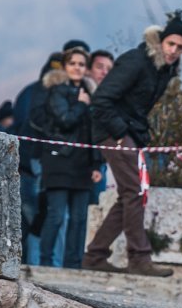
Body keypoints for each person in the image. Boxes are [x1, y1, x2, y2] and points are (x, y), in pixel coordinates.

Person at [82, 18, 182, 277]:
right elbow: (101, 100)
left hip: (129, 132)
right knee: (134, 192)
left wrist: (138, 133)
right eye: (171, 43)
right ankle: (139, 259)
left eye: (180, 47)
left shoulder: (163, 70)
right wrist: (120, 132)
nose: (174, 50)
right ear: (161, 41)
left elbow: (136, 107)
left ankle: (95, 255)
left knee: (131, 194)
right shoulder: (136, 61)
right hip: (112, 131)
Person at [38, 47, 103, 269]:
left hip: (83, 166)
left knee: (79, 218)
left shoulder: (90, 93)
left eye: (81, 64)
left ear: (86, 68)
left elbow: (93, 132)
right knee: (56, 216)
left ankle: (73, 265)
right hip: (59, 161)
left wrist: (97, 163)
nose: (77, 68)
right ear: (65, 66)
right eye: (73, 63)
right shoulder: (57, 91)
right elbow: (65, 120)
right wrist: (81, 104)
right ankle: (45, 263)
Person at [14, 52, 64, 265]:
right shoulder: (40, 93)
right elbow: (24, 125)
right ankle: (36, 265)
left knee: (38, 217)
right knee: (40, 217)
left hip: (34, 164)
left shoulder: (31, 92)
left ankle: (34, 264)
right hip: (36, 164)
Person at [87, 50, 115, 205]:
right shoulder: (79, 92)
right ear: (89, 69)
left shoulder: (111, 98)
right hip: (79, 164)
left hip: (101, 163)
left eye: (109, 69)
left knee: (96, 208)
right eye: (99, 67)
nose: (104, 72)